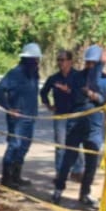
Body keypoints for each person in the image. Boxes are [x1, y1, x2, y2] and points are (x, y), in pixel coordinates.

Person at [53, 44, 106, 209]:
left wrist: (94, 95)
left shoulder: (105, 80)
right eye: (88, 62)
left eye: (94, 63)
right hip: (76, 123)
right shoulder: (77, 77)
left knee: (92, 162)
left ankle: (85, 193)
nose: (90, 66)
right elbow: (76, 96)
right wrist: (88, 95)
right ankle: (58, 190)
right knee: (68, 158)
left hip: (94, 126)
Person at [0, 42, 42, 188]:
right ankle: (6, 178)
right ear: (26, 59)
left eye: (37, 59)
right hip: (17, 119)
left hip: (31, 117)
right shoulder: (15, 73)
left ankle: (16, 176)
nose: (37, 61)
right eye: (34, 59)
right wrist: (9, 108)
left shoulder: (34, 74)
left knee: (24, 146)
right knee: (14, 145)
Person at [40, 49, 84, 177]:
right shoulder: (54, 78)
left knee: (76, 144)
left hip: (75, 115)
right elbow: (43, 92)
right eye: (58, 60)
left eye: (63, 60)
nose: (60, 63)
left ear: (70, 61)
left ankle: (78, 170)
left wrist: (69, 91)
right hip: (60, 115)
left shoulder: (78, 76)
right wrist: (48, 104)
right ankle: (60, 172)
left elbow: (82, 95)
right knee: (60, 145)